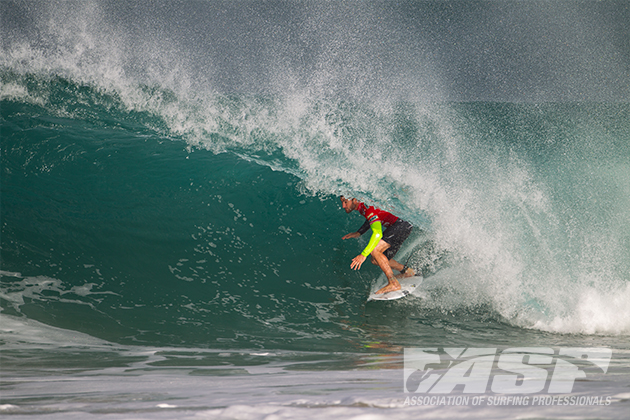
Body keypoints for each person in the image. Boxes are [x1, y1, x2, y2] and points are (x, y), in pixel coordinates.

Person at [340, 196, 415, 294]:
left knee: (375, 250)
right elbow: (371, 218)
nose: (343, 206)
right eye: (342, 202)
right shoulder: (362, 207)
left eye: (345, 202)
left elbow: (377, 233)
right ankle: (407, 271)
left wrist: (363, 255)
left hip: (401, 225)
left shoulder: (367, 209)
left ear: (354, 200)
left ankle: (394, 283)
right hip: (401, 225)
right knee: (376, 260)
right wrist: (359, 232)